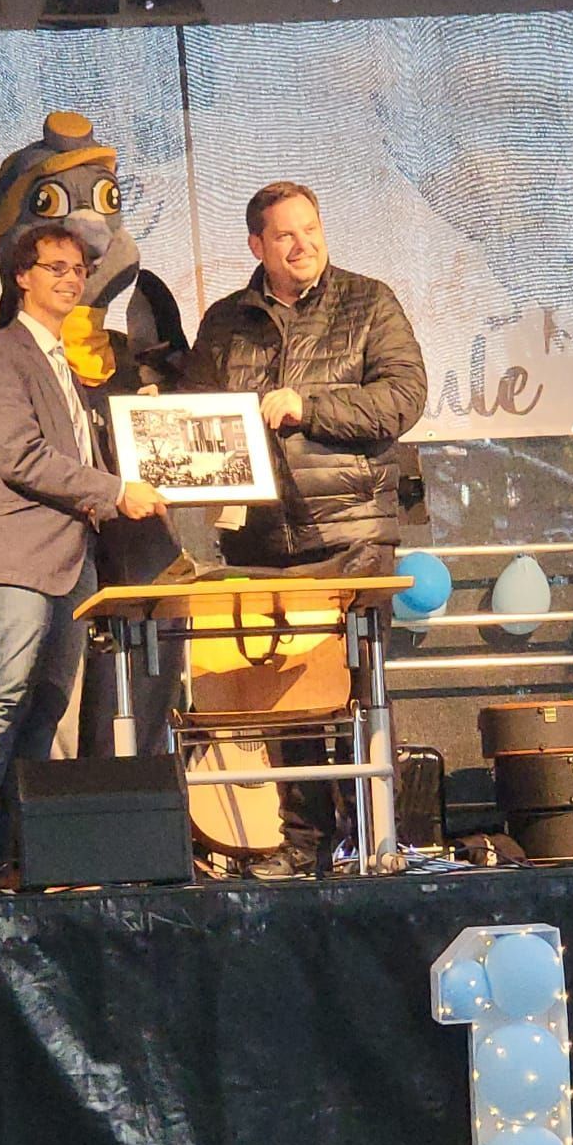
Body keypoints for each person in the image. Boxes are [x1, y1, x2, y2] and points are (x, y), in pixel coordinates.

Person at [185, 181, 427, 876]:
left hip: (353, 532)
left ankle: (375, 837)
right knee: (284, 698)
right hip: (261, 539)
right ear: (257, 246)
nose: (303, 245)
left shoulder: (368, 301)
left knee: (355, 689)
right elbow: (198, 414)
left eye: (311, 229)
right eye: (285, 235)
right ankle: (304, 844)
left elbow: (403, 397)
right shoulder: (225, 322)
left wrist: (308, 406)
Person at [0, 224, 167, 899]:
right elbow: (23, 458)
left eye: (79, 268)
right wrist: (117, 491)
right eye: (56, 267)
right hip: (15, 556)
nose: (71, 278)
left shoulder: (64, 363)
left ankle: (12, 853)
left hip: (72, 559)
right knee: (3, 693)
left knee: (45, 708)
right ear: (22, 277)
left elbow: (80, 458)